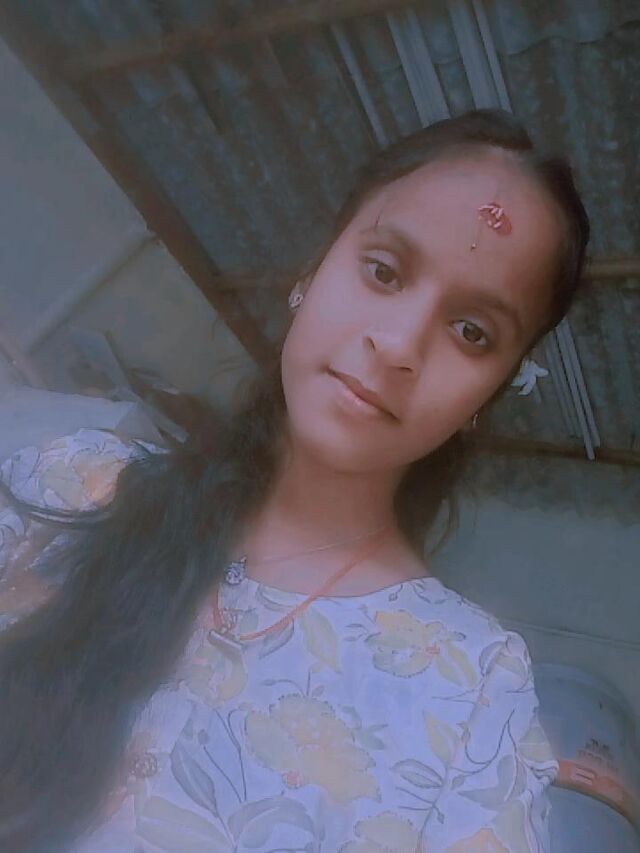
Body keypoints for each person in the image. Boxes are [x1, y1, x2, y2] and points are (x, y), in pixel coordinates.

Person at [0, 109, 589, 852]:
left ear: (488, 394)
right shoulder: (71, 485)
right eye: (384, 271)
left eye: (472, 331)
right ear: (313, 273)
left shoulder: (472, 694)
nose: (399, 344)